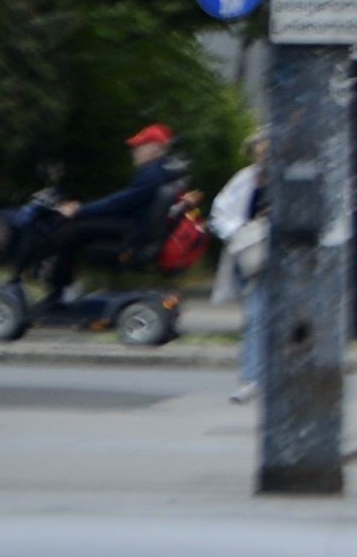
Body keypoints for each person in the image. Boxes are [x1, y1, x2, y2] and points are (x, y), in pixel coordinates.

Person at [44, 124, 182, 304]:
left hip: (132, 234)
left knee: (71, 232)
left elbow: (119, 203)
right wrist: (85, 210)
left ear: (154, 148)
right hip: (137, 229)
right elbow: (123, 201)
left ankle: (59, 292)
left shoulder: (151, 176)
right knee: (79, 228)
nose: (134, 152)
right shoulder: (162, 172)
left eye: (139, 147)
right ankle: (65, 288)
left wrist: (80, 210)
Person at [210, 131, 271, 403]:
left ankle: (265, 377)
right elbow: (221, 213)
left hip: (285, 257)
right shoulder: (245, 179)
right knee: (256, 316)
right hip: (254, 255)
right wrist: (238, 234)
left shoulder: (290, 179)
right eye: (259, 151)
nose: (263, 156)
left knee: (271, 318)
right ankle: (252, 378)